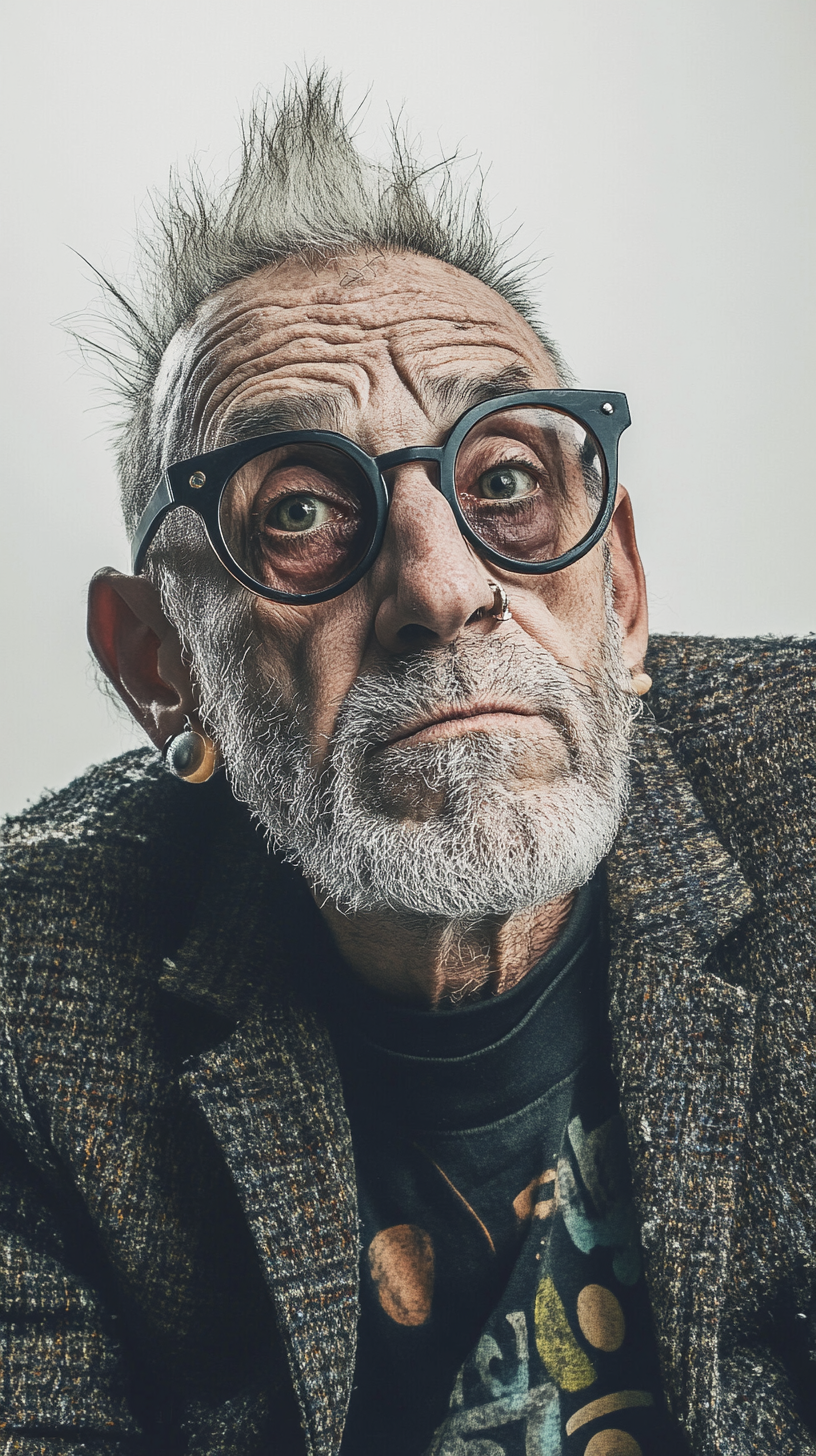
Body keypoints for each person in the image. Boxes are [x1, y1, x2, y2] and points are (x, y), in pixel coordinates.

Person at [0, 74, 813, 1456]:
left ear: (618, 593)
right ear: (160, 667)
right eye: (304, 512)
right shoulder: (36, 992)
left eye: (504, 482)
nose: (444, 587)